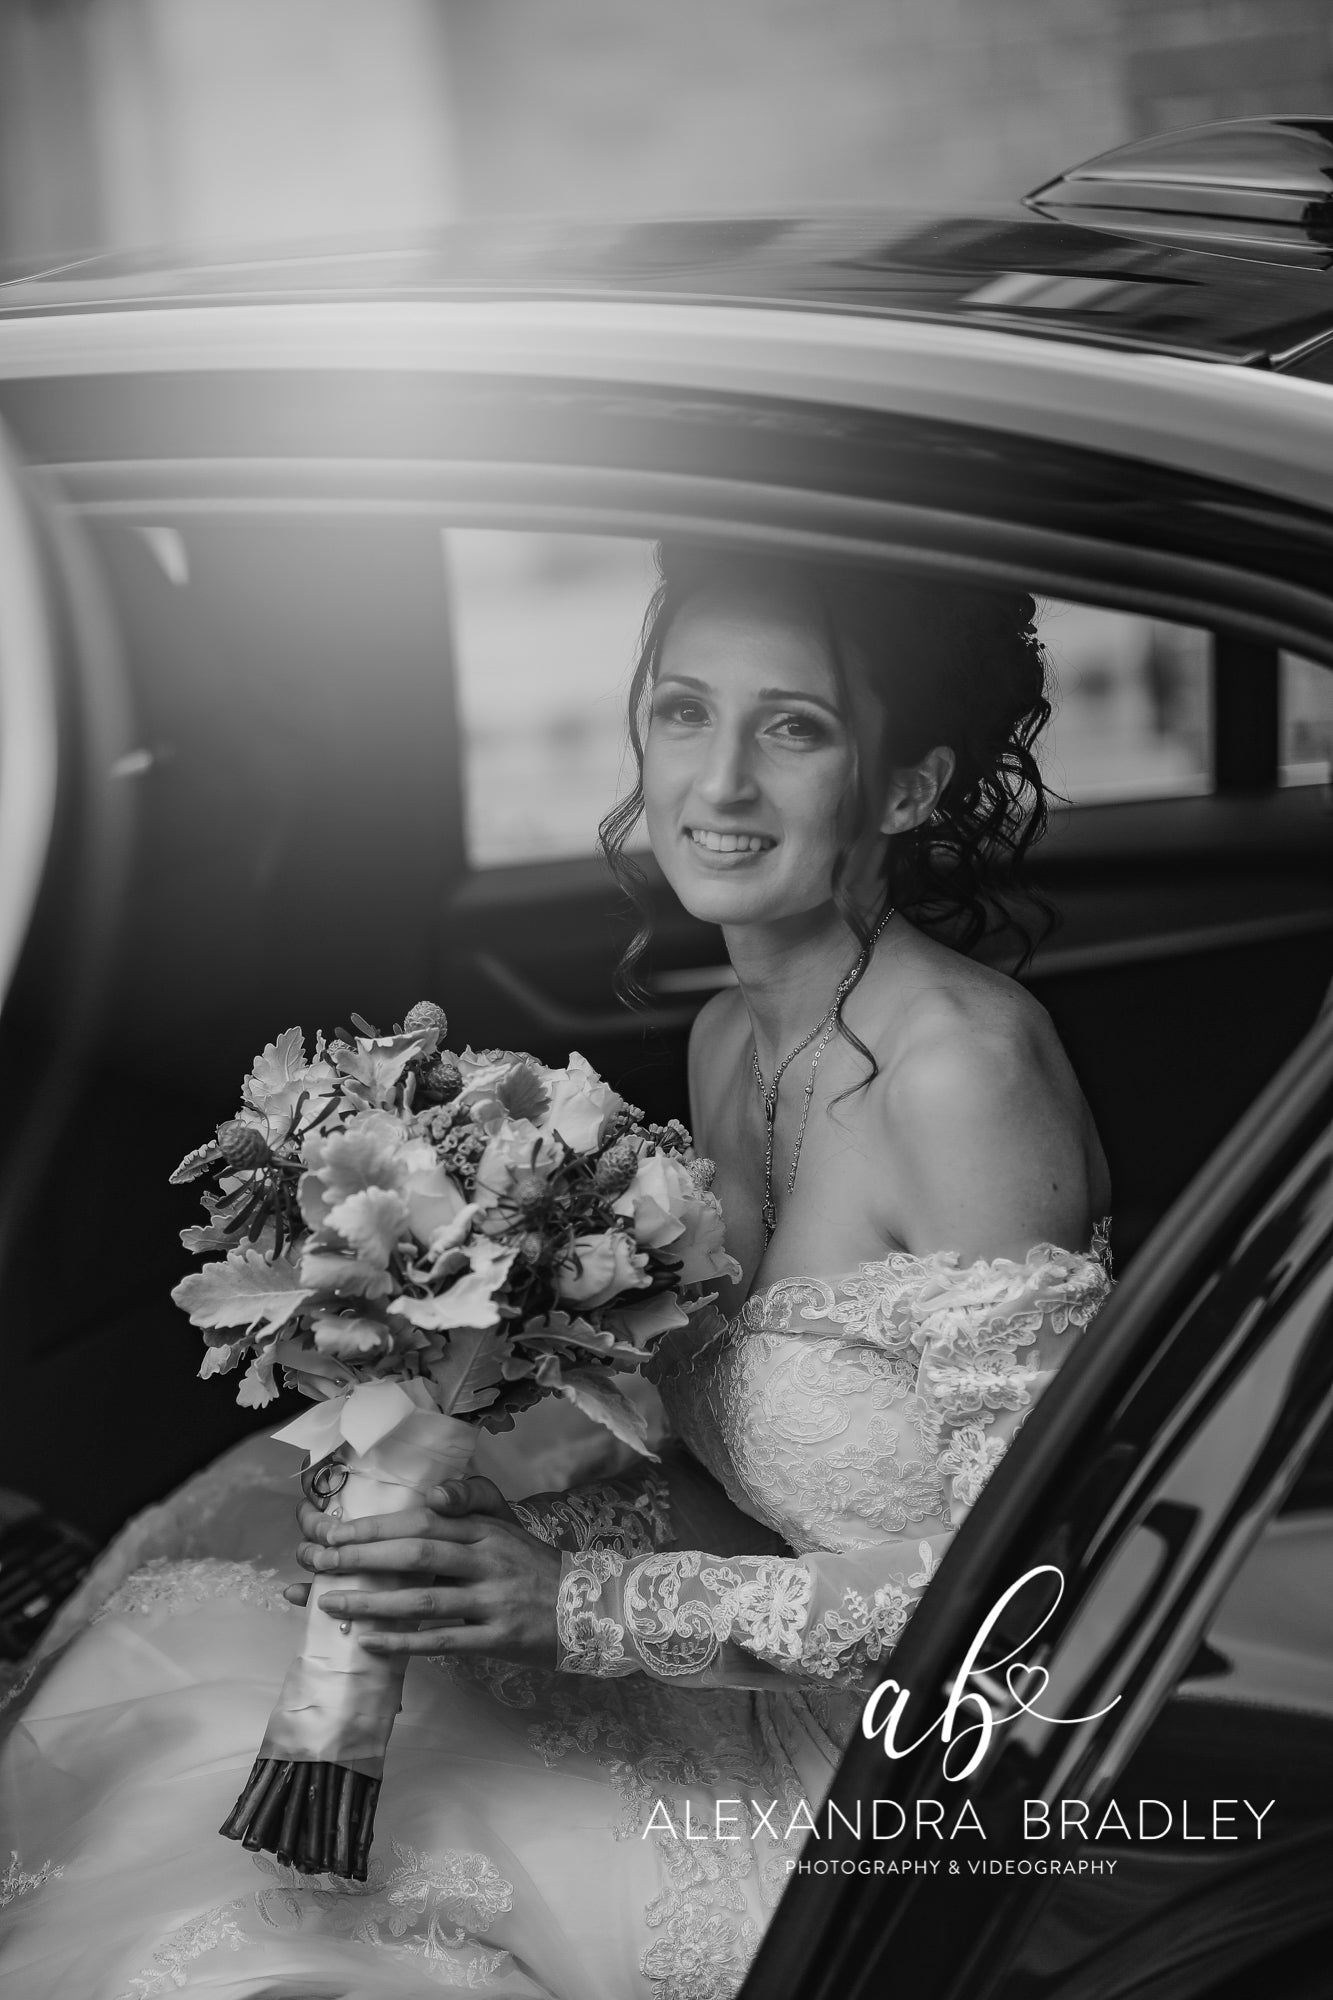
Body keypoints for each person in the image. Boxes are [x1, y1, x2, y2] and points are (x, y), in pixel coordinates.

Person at [0, 546, 1112, 1999]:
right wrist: (488, 1520)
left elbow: (1016, 1603)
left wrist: (575, 1606)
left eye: (793, 726)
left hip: (883, 1799)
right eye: (680, 712)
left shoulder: (960, 1078)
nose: (717, 783)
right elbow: (760, 1475)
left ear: (905, 788)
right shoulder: (731, 1038)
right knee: (220, 1706)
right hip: (733, 1664)